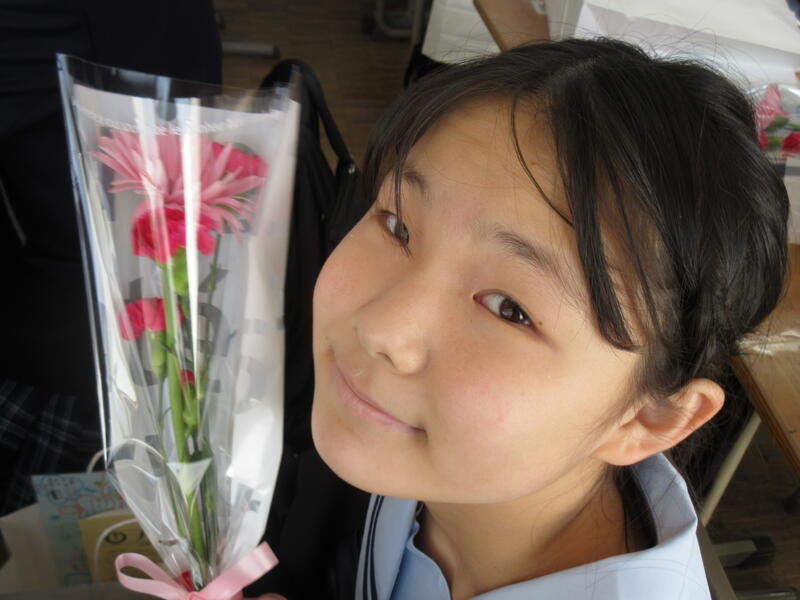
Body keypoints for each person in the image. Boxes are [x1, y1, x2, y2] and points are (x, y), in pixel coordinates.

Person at [253, 37, 789, 600]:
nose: (380, 328)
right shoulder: (406, 451)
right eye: (397, 224)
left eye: (509, 309)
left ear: (649, 418)